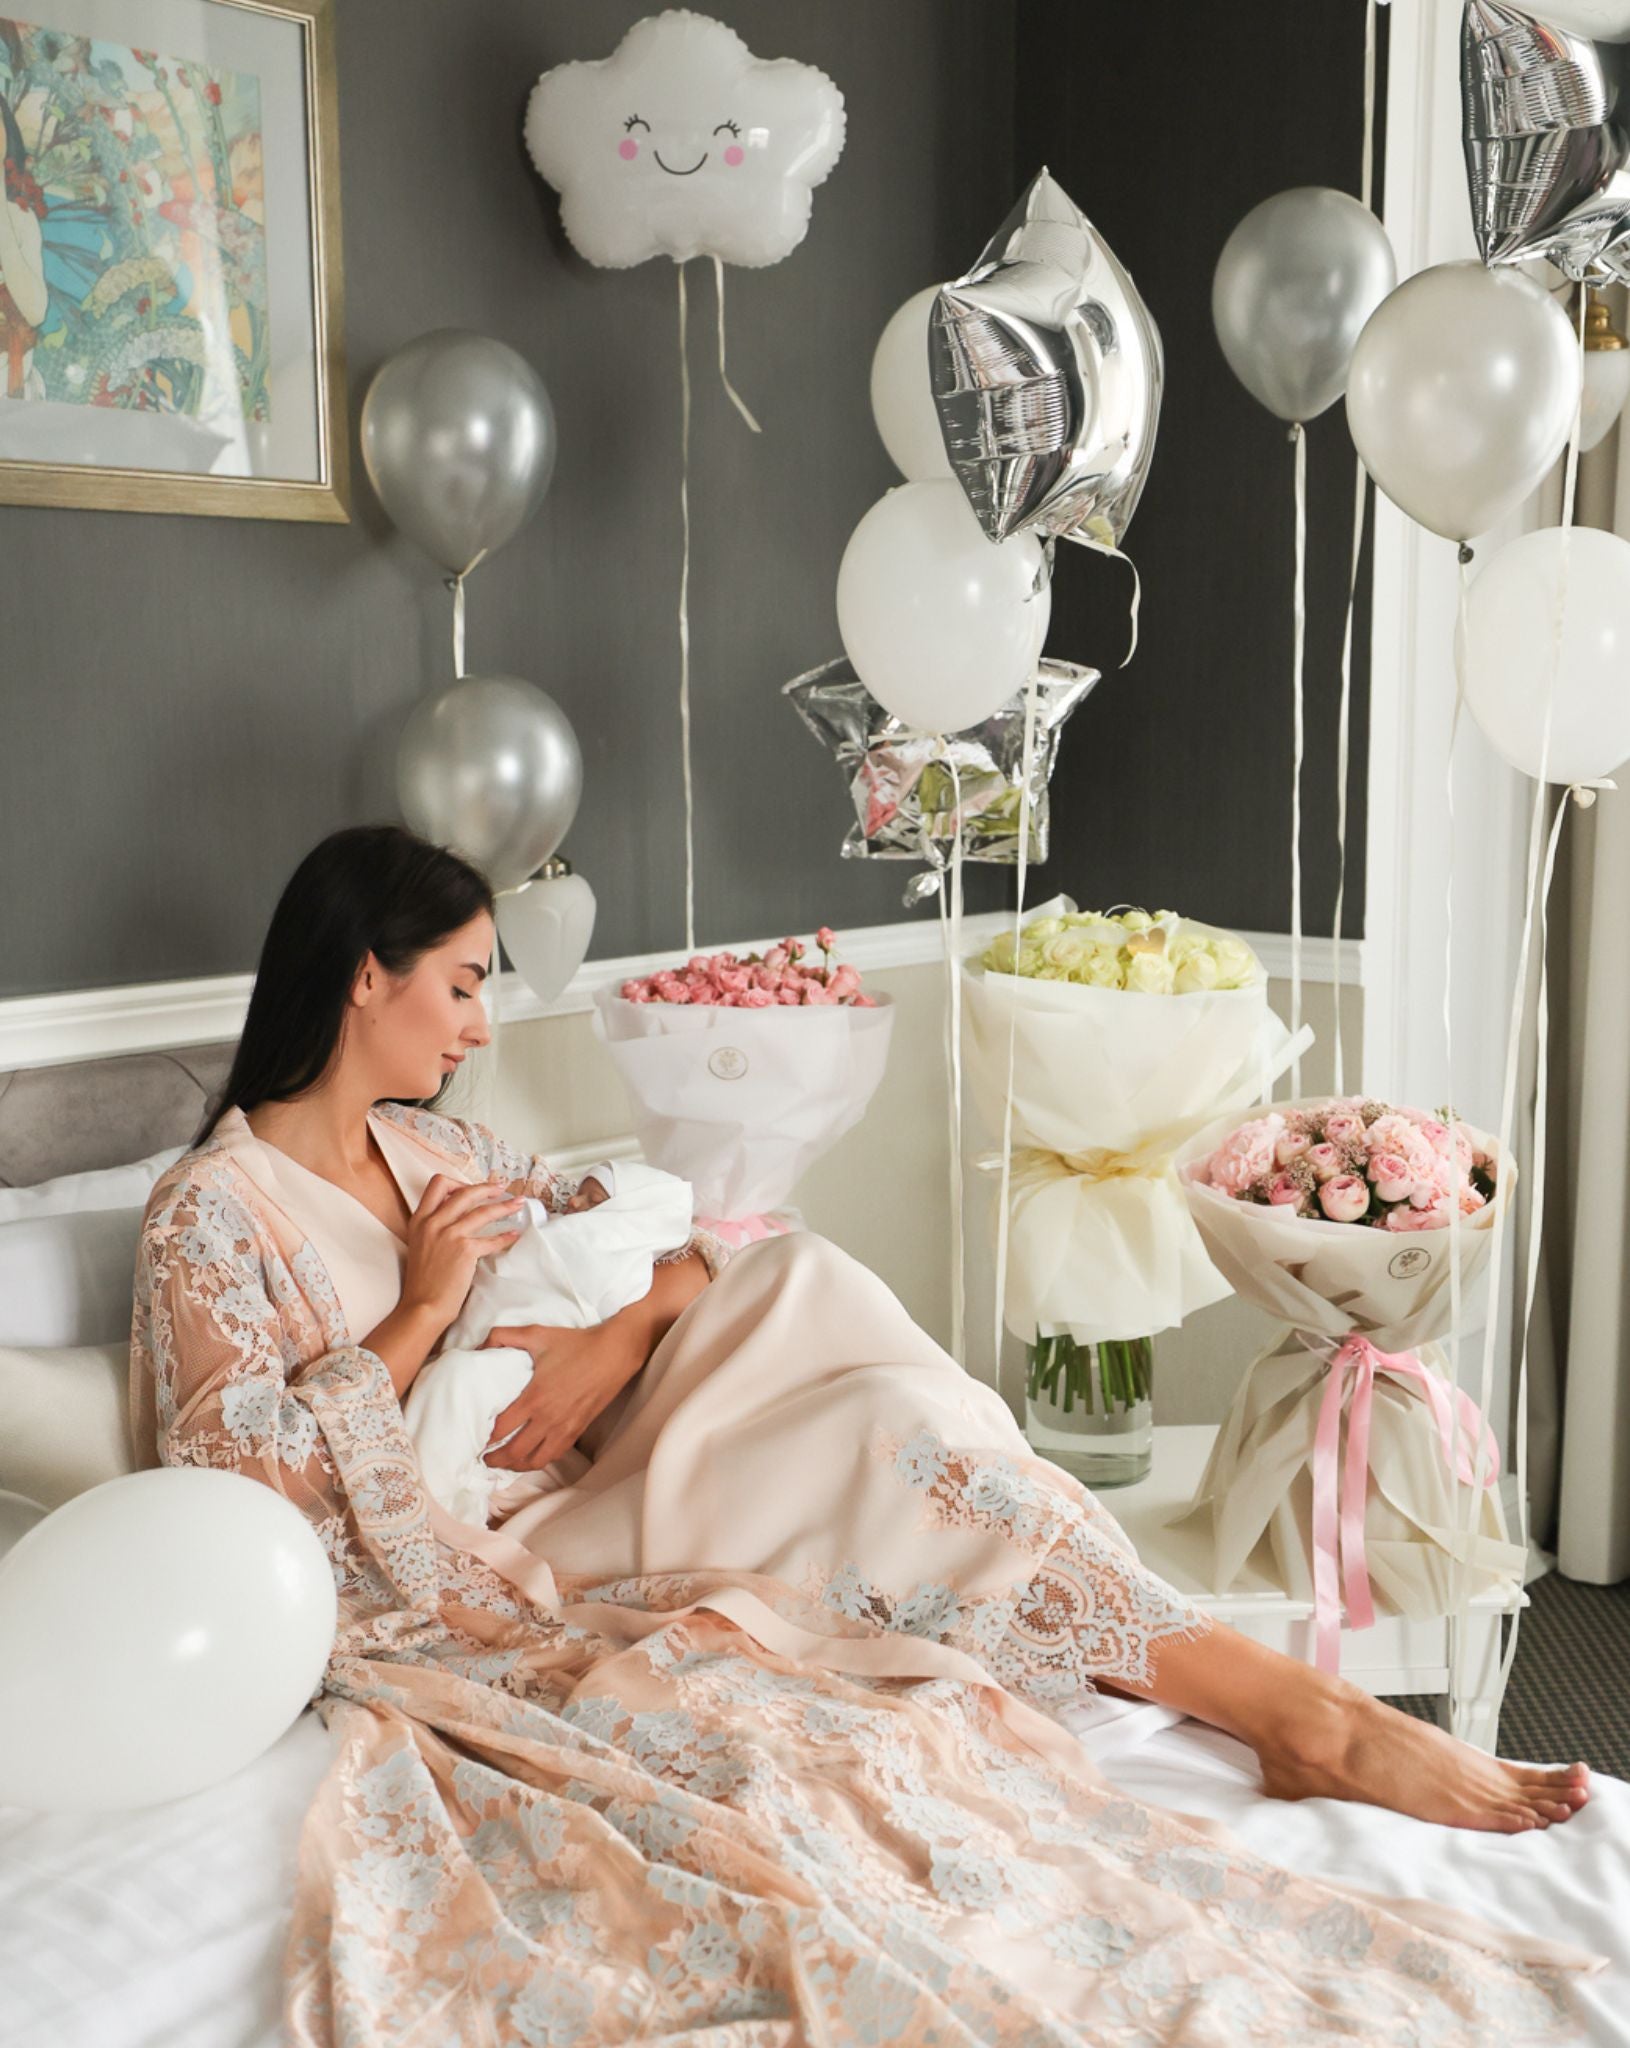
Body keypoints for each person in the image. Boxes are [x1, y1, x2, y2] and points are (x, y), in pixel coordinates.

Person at [130, 825, 1600, 2044]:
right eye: (457, 988)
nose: (480, 1025)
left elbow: (683, 1248)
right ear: (363, 975)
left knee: (824, 1314)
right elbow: (223, 1475)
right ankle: (1295, 1714)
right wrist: (426, 1307)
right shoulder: (212, 1210)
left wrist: (616, 1338)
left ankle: (1282, 1706)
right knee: (863, 1430)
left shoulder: (443, 1147)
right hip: (474, 1549)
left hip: (612, 1450)